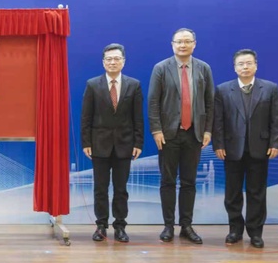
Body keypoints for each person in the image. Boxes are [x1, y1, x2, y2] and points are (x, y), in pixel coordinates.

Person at [148, 28, 214, 244]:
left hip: (194, 133)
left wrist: (207, 130)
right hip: (168, 134)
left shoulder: (204, 68)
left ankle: (186, 225)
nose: (183, 45)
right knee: (167, 181)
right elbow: (153, 101)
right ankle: (168, 226)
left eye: (187, 41)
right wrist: (156, 130)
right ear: (172, 44)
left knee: (189, 182)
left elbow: (210, 102)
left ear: (194, 44)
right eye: (179, 42)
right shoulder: (161, 68)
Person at [212, 49, 278, 248]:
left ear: (256, 66)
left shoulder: (269, 88)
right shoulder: (223, 89)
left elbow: (276, 119)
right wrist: (219, 144)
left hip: (260, 148)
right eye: (241, 64)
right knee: (232, 193)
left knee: (256, 192)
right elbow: (218, 121)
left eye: (249, 63)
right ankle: (235, 230)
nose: (245, 67)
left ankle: (256, 232)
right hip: (232, 148)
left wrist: (275, 143)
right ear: (235, 68)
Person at [80, 43, 143, 243]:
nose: (113, 62)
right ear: (103, 62)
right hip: (99, 144)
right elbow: (86, 116)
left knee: (121, 189)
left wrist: (138, 143)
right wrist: (86, 142)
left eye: (116, 59)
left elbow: (138, 117)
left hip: (125, 144)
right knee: (100, 188)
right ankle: (101, 225)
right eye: (109, 59)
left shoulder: (134, 85)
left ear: (123, 61)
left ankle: (120, 226)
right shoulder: (92, 84)